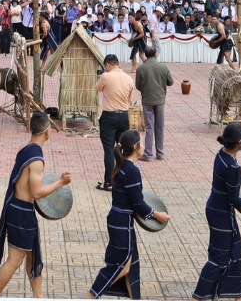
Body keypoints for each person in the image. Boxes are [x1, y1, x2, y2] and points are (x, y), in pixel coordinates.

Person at [0, 112, 72, 297]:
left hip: (17, 208)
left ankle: (38, 296)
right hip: (22, 212)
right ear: (47, 132)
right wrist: (60, 182)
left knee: (33, 257)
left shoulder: (25, 148)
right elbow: (37, 193)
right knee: (15, 260)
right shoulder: (37, 160)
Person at [87, 128, 168, 299]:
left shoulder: (123, 165)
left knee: (131, 265)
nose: (144, 146)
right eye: (141, 143)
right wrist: (157, 215)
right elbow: (138, 204)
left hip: (118, 220)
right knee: (121, 266)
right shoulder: (131, 170)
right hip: (122, 223)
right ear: (135, 147)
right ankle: (90, 297)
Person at [193, 122, 241, 301]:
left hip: (215, 208)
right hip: (222, 214)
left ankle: (237, 294)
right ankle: (197, 297)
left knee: (234, 249)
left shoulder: (221, 155)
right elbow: (233, 200)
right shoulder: (233, 167)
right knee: (219, 258)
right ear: (240, 142)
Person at [95, 55, 134, 191]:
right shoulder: (129, 78)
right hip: (124, 116)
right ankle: (124, 180)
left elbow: (97, 88)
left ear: (108, 65)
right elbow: (130, 99)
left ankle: (108, 182)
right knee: (124, 150)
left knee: (109, 150)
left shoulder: (106, 76)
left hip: (109, 116)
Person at [134, 44, 173, 161]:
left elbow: (138, 86)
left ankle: (148, 153)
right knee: (159, 126)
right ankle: (160, 153)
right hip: (160, 100)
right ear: (155, 54)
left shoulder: (141, 69)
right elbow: (170, 82)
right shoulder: (163, 67)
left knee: (149, 127)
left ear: (145, 55)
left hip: (147, 100)